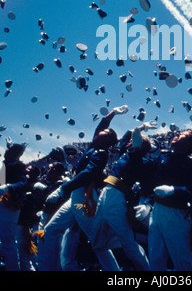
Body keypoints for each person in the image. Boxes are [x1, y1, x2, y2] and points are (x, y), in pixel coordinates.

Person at [37, 106, 128, 271]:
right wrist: (112, 113)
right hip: (76, 196)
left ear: (106, 140)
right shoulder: (93, 147)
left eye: (106, 132)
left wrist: (63, 189)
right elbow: (100, 126)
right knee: (51, 230)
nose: (101, 131)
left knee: (97, 241)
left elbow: (88, 173)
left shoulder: (100, 153)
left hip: (84, 197)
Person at [91, 121, 158, 271]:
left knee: (130, 246)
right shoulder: (126, 154)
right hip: (107, 194)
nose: (129, 142)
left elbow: (134, 137)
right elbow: (126, 139)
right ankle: (123, 239)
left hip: (115, 197)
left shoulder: (139, 158)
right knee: (96, 242)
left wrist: (141, 128)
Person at [148, 129, 192, 271]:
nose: (176, 134)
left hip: (176, 213)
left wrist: (174, 190)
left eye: (181, 135)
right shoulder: (162, 157)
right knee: (156, 256)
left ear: (187, 144)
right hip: (157, 210)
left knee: (182, 259)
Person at [0, 141, 30, 270]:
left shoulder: (19, 166)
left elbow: (23, 184)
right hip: (2, 204)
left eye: (9, 150)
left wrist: (7, 188)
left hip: (10, 206)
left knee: (7, 240)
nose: (6, 151)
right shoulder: (6, 165)